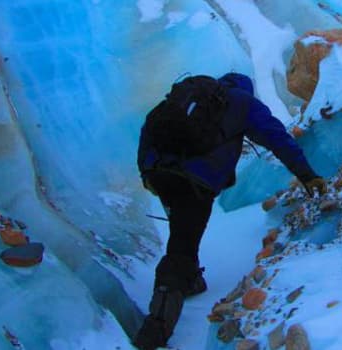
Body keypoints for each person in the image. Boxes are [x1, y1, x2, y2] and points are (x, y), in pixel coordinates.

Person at [134, 72, 326, 349]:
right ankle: (156, 327)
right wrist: (307, 175)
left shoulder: (188, 98)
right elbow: (277, 138)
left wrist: (146, 172)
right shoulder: (243, 103)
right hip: (195, 181)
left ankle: (190, 280)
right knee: (182, 245)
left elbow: (149, 125)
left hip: (159, 172)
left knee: (183, 229)